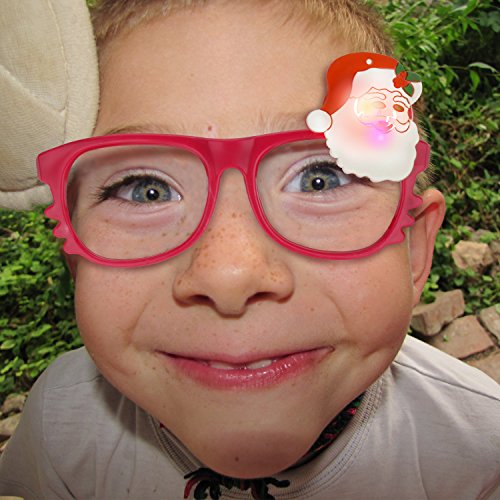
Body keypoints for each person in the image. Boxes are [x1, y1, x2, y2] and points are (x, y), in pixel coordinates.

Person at [0, 1, 499, 499]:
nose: (230, 273)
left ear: (414, 250)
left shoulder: (481, 456)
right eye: (146, 190)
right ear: (76, 260)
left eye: (320, 179)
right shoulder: (59, 432)